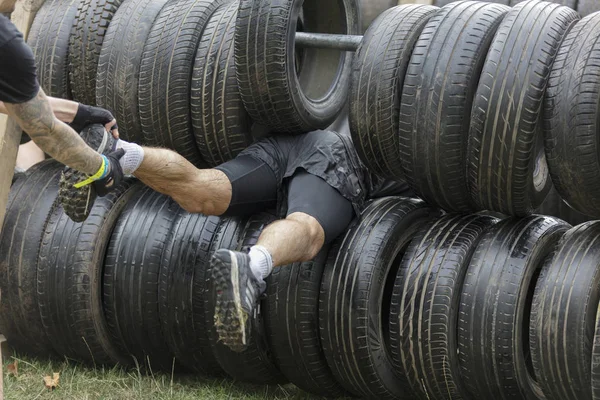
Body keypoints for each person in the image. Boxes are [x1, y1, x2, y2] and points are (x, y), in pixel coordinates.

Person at [1, 0, 407, 353]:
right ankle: (253, 265)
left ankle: (122, 154)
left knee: (203, 190)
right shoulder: (421, 164)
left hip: (290, 142)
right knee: (309, 230)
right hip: (335, 156)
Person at [0, 4, 123, 194]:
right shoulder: (6, 44)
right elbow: (44, 130)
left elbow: (19, 103)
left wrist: (80, 113)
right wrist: (103, 168)